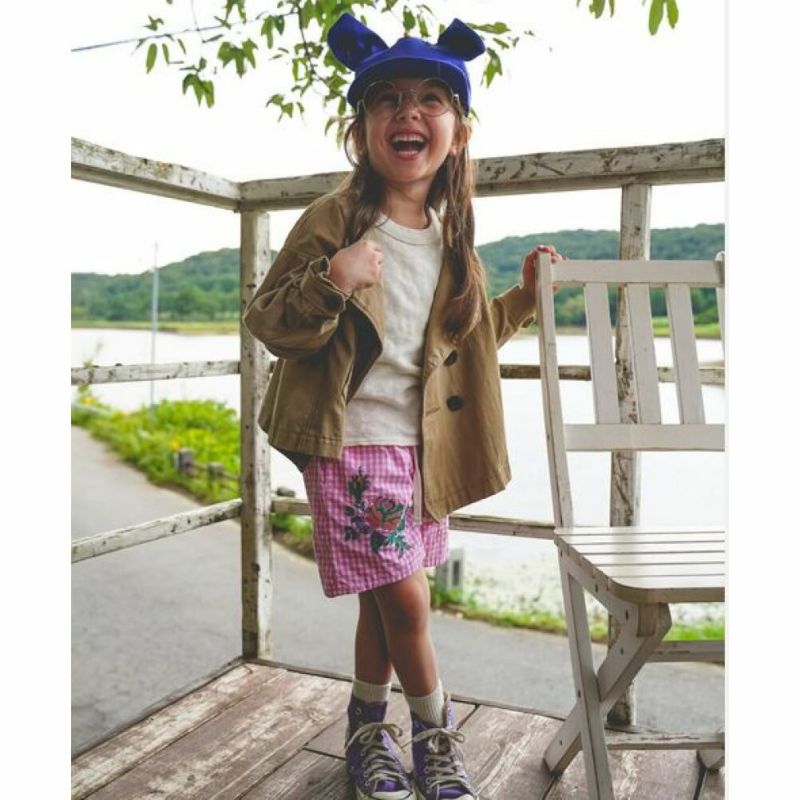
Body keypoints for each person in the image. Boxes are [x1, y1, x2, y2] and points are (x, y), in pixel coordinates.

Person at [243, 12, 566, 800]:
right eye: (386, 99)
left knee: (385, 603)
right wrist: (333, 278)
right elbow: (268, 320)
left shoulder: (452, 233)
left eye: (430, 99)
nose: (407, 112)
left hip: (426, 451)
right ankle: (435, 735)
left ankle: (365, 728)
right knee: (410, 602)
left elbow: (466, 338)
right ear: (360, 130)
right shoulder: (335, 219)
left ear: (457, 131)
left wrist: (523, 299)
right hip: (352, 443)